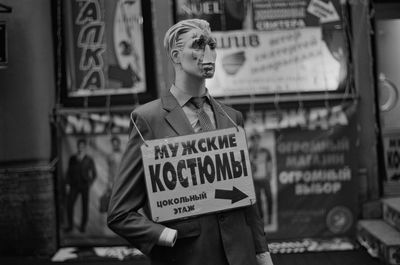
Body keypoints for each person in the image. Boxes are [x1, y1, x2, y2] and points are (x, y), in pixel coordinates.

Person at [107, 19, 274, 265]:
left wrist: (262, 252)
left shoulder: (231, 117)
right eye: (198, 45)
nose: (208, 53)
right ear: (176, 55)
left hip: (240, 255)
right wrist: (163, 236)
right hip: (187, 254)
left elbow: (245, 196)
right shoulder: (148, 119)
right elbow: (120, 213)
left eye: (212, 45)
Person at [65, 138, 97, 233]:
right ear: (77, 147)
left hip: (84, 186)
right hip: (74, 185)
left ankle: (83, 226)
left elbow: (94, 174)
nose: (80, 148)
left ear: (85, 147)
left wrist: (89, 183)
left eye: (82, 146)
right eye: (79, 146)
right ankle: (70, 226)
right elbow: (68, 172)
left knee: (85, 207)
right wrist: (67, 184)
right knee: (69, 205)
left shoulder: (89, 159)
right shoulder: (72, 159)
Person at [249, 132, 274, 226]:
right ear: (251, 141)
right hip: (255, 181)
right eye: (253, 140)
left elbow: (269, 163)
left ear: (259, 140)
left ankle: (270, 218)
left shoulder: (265, 151)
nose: (255, 142)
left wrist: (269, 174)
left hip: (265, 179)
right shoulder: (248, 151)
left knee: (269, 198)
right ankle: (262, 219)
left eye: (257, 139)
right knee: (258, 201)